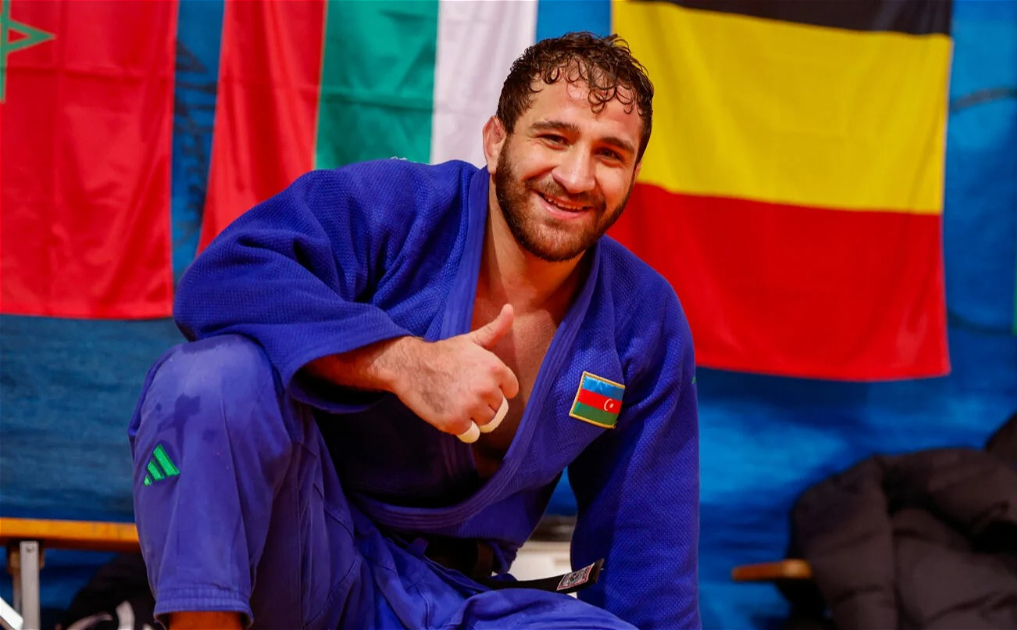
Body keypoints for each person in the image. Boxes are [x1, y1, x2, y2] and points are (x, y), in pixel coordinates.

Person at [128, 32, 700, 630]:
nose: (577, 177)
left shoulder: (643, 318)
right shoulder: (396, 209)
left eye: (610, 154)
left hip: (466, 600)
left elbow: (649, 558)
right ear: (496, 140)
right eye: (554, 138)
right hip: (309, 556)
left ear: (634, 172)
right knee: (213, 378)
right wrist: (400, 362)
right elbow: (224, 278)